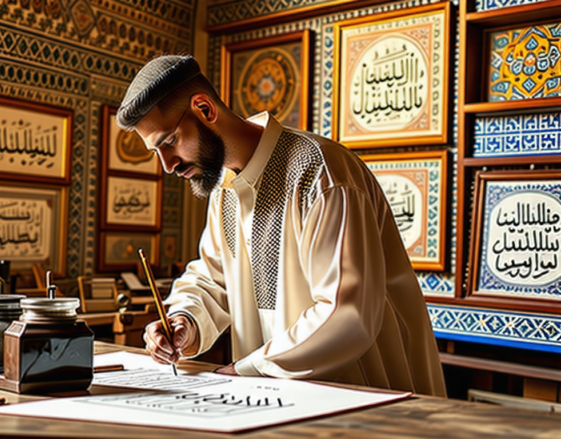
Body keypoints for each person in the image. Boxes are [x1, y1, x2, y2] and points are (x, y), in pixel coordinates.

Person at [117, 54, 447, 396]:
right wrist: (185, 321)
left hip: (366, 398)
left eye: (168, 142)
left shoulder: (320, 172)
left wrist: (249, 369)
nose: (167, 165)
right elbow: (213, 279)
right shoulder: (224, 189)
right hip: (272, 400)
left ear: (204, 109)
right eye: (156, 152)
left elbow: (346, 312)